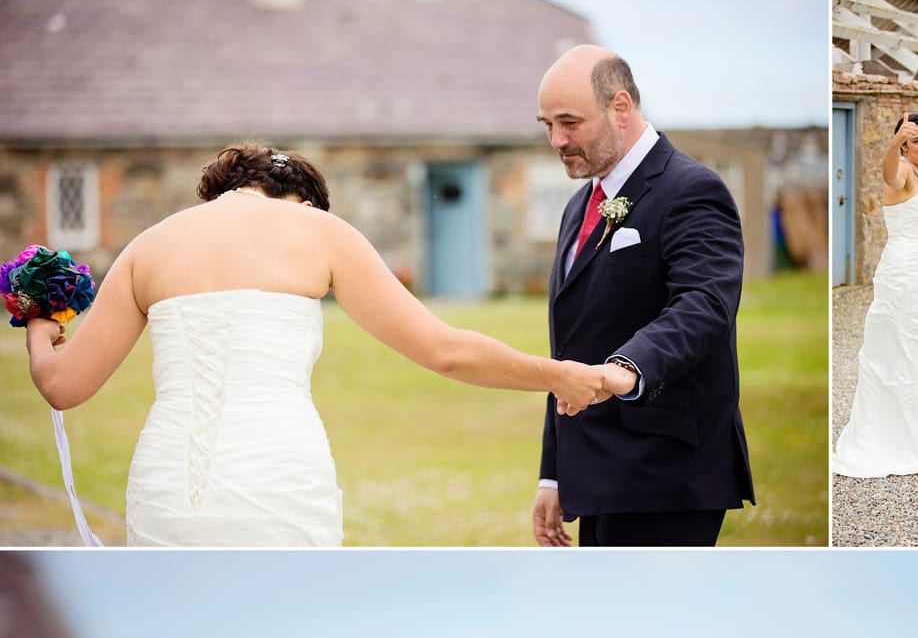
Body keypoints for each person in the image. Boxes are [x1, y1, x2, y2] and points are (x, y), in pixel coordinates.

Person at [20, 142, 609, 547]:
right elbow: (445, 350)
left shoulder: (148, 246)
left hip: (167, 486)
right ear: (301, 199)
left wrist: (40, 330)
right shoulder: (319, 232)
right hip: (280, 477)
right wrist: (555, 373)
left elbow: (63, 387)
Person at [531, 46, 755, 548]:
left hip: (666, 472)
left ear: (621, 107)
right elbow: (570, 344)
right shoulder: (579, 206)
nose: (556, 140)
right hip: (597, 471)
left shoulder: (692, 189)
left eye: (569, 122)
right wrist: (554, 474)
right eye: (547, 124)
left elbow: (704, 303)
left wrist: (628, 367)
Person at [831, 111, 918, 478]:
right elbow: (887, 174)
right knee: (906, 342)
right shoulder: (902, 170)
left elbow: (914, 230)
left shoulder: (917, 173)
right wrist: (894, 143)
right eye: (916, 140)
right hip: (901, 273)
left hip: (915, 265)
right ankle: (903, 434)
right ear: (905, 143)